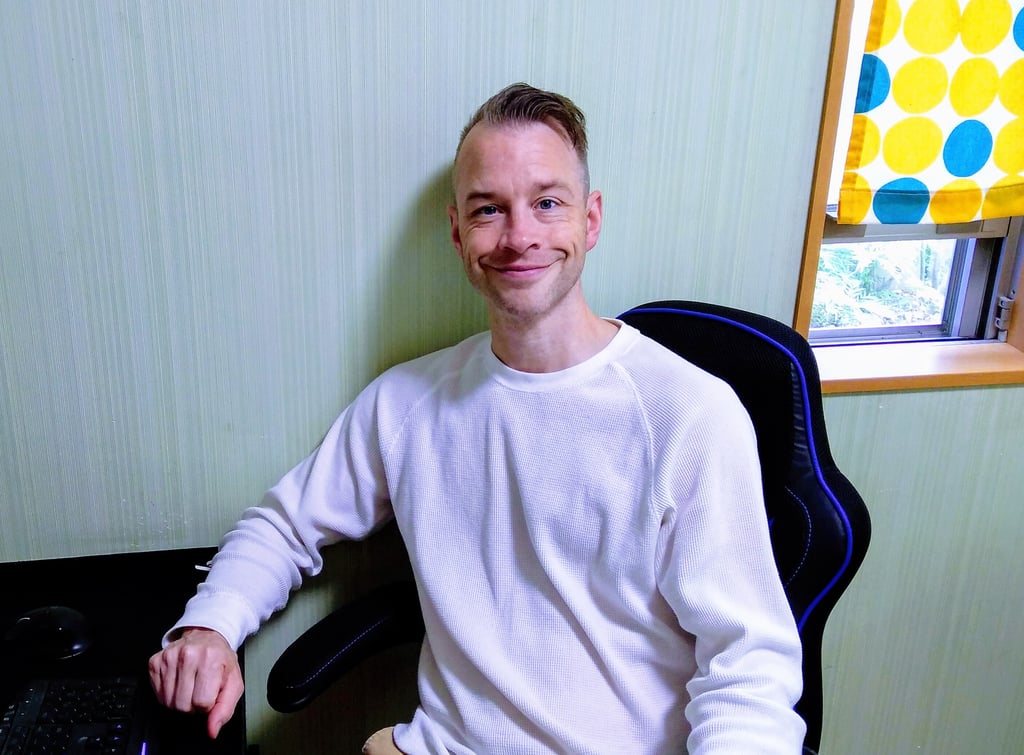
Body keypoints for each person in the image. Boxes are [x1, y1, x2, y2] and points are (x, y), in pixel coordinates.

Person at [149, 83, 806, 754]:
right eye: (489, 209)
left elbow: (748, 669)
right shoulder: (406, 404)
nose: (519, 236)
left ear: (592, 220)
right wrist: (209, 627)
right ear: (458, 233)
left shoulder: (688, 414)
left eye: (547, 203)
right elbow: (283, 525)